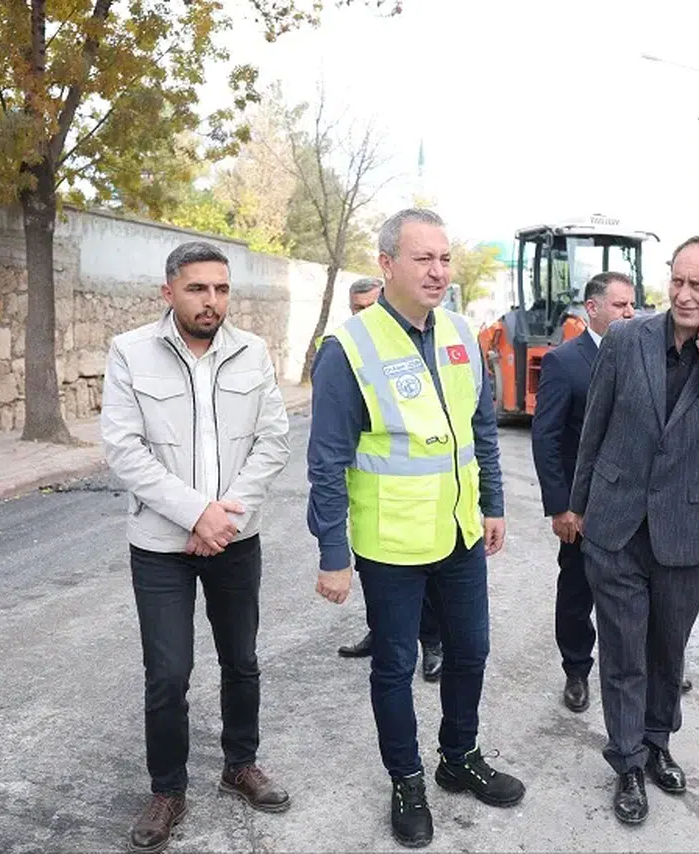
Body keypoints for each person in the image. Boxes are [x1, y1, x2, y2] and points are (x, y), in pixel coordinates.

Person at [306, 208, 524, 848]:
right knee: (396, 665)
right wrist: (331, 552)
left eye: (445, 258)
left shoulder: (461, 333)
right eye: (423, 258)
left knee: (471, 652)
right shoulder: (348, 349)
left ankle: (458, 757)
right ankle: (406, 780)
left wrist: (493, 503)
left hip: (459, 533)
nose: (438, 271)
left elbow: (480, 430)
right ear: (387, 264)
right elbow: (327, 462)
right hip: (391, 542)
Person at [100, 241, 293, 853]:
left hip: (235, 537)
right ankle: (168, 790)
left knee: (242, 660)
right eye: (197, 289)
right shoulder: (131, 352)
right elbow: (125, 450)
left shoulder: (252, 352)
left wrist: (225, 516)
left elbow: (273, 441)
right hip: (161, 543)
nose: (211, 301)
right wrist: (195, 513)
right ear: (168, 291)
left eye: (221, 289)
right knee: (168, 673)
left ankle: (240, 764)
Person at [567, 236, 699, 825]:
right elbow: (594, 426)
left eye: (696, 285)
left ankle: (657, 744)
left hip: (685, 529)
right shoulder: (627, 340)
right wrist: (578, 509)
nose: (681, 294)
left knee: (666, 650)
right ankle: (627, 762)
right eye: (676, 280)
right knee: (624, 649)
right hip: (617, 524)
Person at [531, 271, 635, 713]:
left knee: (638, 591)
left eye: (633, 305)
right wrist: (561, 506)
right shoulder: (564, 362)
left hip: (634, 503)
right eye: (620, 305)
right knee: (577, 592)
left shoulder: (643, 355)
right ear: (592, 308)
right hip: (584, 507)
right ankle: (577, 671)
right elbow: (546, 438)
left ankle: (644, 667)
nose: (630, 313)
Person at [335, 277, 444, 683]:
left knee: (424, 581)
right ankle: (380, 631)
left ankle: (431, 643)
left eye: (370, 306)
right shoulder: (348, 350)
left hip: (420, 501)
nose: (365, 316)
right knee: (372, 573)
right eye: (357, 309)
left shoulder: (411, 350)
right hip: (371, 496)